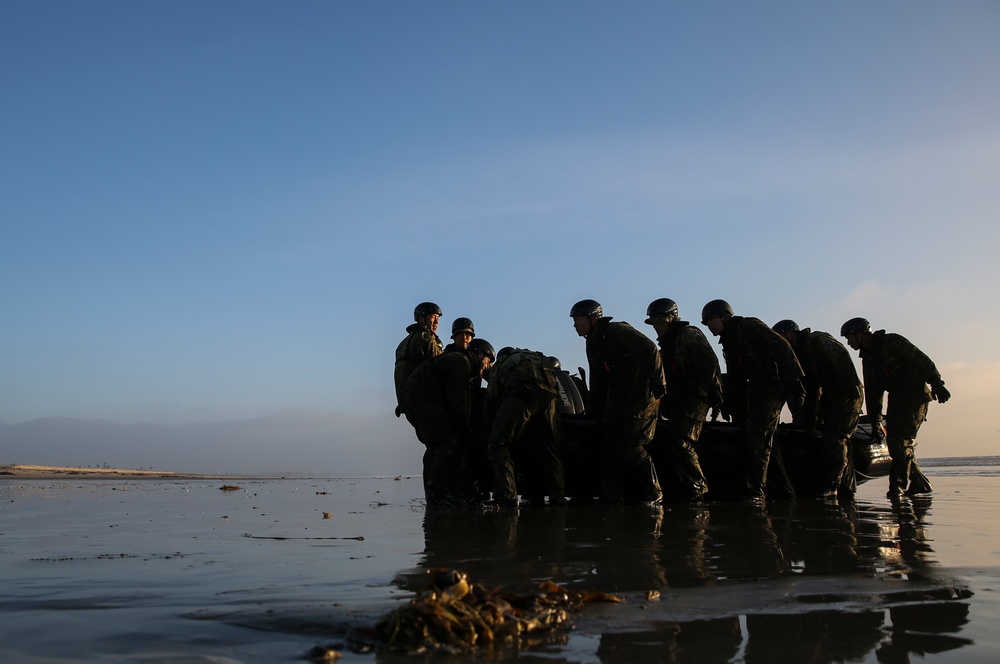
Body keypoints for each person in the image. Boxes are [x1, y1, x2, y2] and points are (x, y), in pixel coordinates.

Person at [701, 299, 805, 504]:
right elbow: (735, 377)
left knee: (758, 435)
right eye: (706, 322)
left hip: (772, 386)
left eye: (712, 319)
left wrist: (795, 382)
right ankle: (783, 490)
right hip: (756, 390)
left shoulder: (748, 326)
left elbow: (782, 347)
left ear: (725, 317)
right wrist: (733, 407)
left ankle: (755, 492)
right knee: (764, 440)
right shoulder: (729, 342)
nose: (710, 325)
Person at [840, 317, 950, 498]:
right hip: (897, 399)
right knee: (896, 443)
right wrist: (875, 421)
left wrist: (936, 383)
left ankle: (896, 488)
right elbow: (873, 392)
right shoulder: (868, 359)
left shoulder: (891, 342)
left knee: (900, 442)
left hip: (915, 397)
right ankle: (920, 483)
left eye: (850, 338)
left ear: (861, 334)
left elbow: (919, 359)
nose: (849, 343)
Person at [571, 299, 665, 504]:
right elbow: (598, 379)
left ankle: (654, 492)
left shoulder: (617, 331)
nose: (575, 325)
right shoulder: (592, 343)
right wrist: (594, 412)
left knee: (632, 445)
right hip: (620, 400)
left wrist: (659, 384)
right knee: (610, 446)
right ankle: (612, 495)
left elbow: (650, 350)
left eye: (578, 320)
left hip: (642, 398)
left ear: (593, 319)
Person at [772, 319, 864, 498]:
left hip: (847, 392)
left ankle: (832, 485)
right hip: (829, 395)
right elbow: (810, 388)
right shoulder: (798, 356)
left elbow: (841, 357)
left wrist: (850, 383)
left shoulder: (816, 340)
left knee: (836, 438)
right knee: (824, 435)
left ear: (790, 334)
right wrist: (806, 420)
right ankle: (843, 485)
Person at [644, 298, 723, 501]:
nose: (657, 326)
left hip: (697, 396)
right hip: (679, 399)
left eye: (661, 321)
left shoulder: (689, 335)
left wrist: (715, 391)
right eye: (654, 322)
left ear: (671, 319)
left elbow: (709, 363)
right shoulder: (666, 345)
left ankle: (698, 489)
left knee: (681, 440)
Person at [403, 338, 496, 506]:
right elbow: (459, 404)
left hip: (419, 400)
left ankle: (446, 490)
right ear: (480, 354)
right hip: (424, 401)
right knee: (449, 441)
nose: (485, 367)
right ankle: (436, 493)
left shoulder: (459, 361)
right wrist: (466, 431)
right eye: (487, 361)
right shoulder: (462, 363)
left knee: (440, 445)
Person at [485, 347, 566, 507]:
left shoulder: (501, 364)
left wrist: (489, 432)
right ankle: (559, 498)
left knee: (499, 445)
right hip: (549, 396)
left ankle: (507, 497)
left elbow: (491, 399)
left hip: (522, 395)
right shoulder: (534, 356)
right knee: (551, 450)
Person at [394, 302, 444, 417]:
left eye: (438, 318)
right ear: (421, 318)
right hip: (423, 401)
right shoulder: (426, 338)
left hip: (406, 403)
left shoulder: (402, 343)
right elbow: (440, 369)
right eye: (432, 317)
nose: (436, 322)